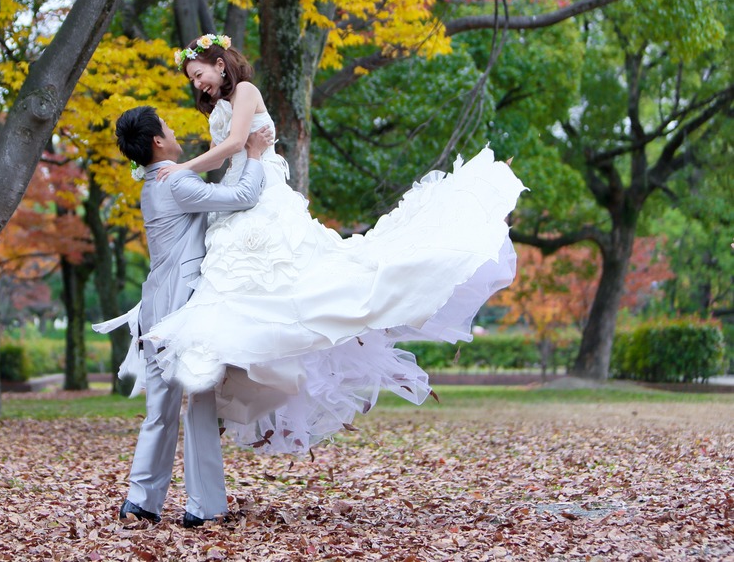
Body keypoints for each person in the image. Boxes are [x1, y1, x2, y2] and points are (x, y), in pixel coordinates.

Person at [144, 33, 526, 454]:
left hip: (263, 190)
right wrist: (196, 170)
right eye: (192, 79)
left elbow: (236, 145)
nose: (197, 84)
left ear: (220, 63)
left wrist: (181, 168)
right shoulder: (219, 107)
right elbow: (224, 154)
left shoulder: (247, 91)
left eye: (198, 74)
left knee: (286, 275)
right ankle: (242, 365)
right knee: (239, 283)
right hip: (241, 188)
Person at [105, 105, 275, 528]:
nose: (175, 128)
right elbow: (242, 198)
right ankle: (203, 506)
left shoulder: (152, 184)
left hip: (157, 311)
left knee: (160, 410)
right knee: (198, 406)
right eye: (167, 126)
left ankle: (141, 503)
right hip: (183, 312)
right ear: (158, 142)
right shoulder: (175, 181)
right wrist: (252, 155)